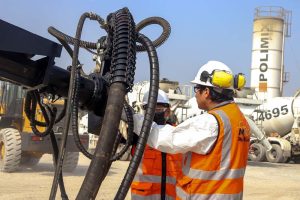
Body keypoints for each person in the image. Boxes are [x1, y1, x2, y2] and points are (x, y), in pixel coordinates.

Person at [133, 61, 250, 200]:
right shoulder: (239, 120)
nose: (195, 95)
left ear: (206, 92)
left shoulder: (211, 122)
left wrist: (133, 118)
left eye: (197, 89)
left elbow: (166, 139)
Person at [131, 89, 183, 200]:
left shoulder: (178, 135)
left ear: (168, 112)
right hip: (144, 196)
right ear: (144, 111)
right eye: (150, 109)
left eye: (159, 109)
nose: (155, 112)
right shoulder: (137, 135)